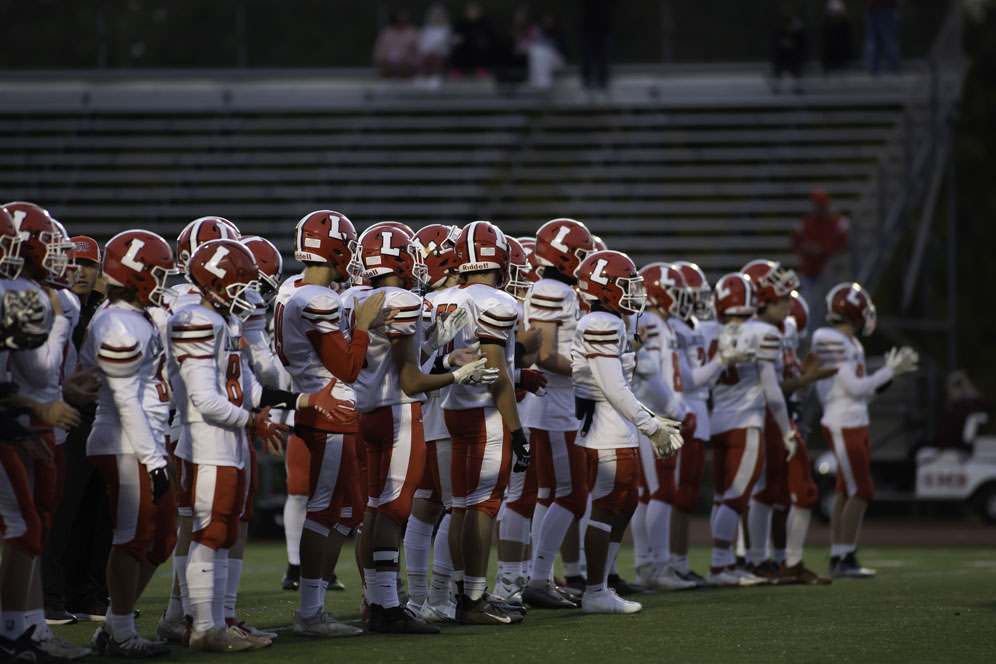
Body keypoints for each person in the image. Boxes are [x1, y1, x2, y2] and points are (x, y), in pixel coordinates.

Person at [353, 225, 497, 633]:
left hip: (364, 410)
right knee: (395, 509)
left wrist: (444, 360)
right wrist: (459, 374)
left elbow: (398, 364)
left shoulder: (354, 296)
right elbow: (410, 381)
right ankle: (389, 606)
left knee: (375, 508)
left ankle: (379, 601)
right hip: (397, 413)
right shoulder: (403, 300)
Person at [570, 250, 684, 614]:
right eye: (625, 284)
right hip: (606, 427)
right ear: (605, 289)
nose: (634, 291)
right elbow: (613, 387)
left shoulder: (608, 322)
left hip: (613, 424)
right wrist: (651, 426)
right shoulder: (601, 323)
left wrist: (649, 420)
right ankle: (595, 590)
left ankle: (601, 584)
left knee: (626, 502)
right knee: (606, 506)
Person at [82, 230, 179, 657]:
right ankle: (118, 630)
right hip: (125, 441)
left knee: (161, 540)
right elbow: (124, 400)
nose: (163, 283)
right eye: (158, 274)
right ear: (138, 274)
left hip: (142, 439)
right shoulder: (119, 322)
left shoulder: (133, 315)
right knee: (133, 537)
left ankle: (116, 624)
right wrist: (154, 458)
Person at [275, 211, 370, 639]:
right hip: (330, 408)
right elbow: (347, 367)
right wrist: (365, 326)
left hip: (316, 403)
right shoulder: (318, 299)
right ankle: (310, 612)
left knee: (346, 511)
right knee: (326, 510)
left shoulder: (291, 290)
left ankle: (316, 606)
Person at [435, 221, 528, 625]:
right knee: (484, 505)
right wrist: (518, 430)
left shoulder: (442, 297)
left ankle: (463, 589)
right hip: (485, 411)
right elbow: (496, 373)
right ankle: (473, 596)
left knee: (460, 506)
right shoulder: (499, 301)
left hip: (452, 407)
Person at [812, 282, 917, 578]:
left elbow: (863, 393)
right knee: (862, 490)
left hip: (855, 419)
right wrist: (888, 371)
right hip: (842, 421)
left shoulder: (852, 344)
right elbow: (855, 386)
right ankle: (845, 556)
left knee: (847, 490)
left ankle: (838, 555)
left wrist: (887, 378)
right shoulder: (829, 338)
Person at [741, 260, 834, 585]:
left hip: (777, 413)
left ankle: (775, 561)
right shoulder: (755, 330)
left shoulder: (781, 328)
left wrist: (802, 378)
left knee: (775, 494)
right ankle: (762, 560)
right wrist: (803, 381)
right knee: (771, 493)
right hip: (764, 415)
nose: (789, 303)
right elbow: (768, 387)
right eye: (781, 297)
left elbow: (784, 378)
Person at [705, 273, 798, 587]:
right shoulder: (763, 332)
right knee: (734, 499)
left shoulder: (710, 331)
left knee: (721, 498)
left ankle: (724, 563)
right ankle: (719, 567)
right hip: (746, 424)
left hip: (716, 422)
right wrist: (786, 430)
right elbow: (772, 391)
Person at [521, 219, 595, 609]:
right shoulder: (552, 289)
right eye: (581, 256)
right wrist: (593, 369)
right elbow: (546, 356)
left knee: (550, 494)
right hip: (556, 405)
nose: (585, 264)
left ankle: (540, 577)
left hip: (553, 404)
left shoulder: (554, 288)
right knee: (572, 495)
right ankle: (537, 579)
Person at [43, 235, 111, 624]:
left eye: (88, 265)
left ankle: (86, 594)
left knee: (96, 512)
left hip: (97, 415)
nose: (80, 272)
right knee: (59, 510)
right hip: (62, 413)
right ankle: (48, 597)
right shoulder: (59, 305)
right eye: (74, 264)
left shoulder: (96, 308)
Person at [630, 263, 696, 592]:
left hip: (656, 413)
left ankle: (647, 564)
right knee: (662, 491)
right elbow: (647, 369)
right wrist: (676, 409)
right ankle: (657, 566)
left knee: (649, 494)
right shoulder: (652, 321)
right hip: (656, 414)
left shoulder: (661, 322)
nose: (681, 300)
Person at [791, 188, 850, 321]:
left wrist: (823, 250)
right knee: (807, 305)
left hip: (830, 270)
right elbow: (795, 243)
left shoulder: (837, 222)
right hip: (810, 270)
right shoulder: (806, 223)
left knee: (831, 305)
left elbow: (844, 243)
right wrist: (808, 249)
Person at [450, 2, 498, 79]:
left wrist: (484, 41)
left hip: (479, 50)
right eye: (470, 10)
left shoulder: (485, 22)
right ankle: (456, 71)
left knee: (482, 48)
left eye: (474, 10)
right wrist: (457, 39)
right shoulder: (460, 22)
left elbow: (491, 37)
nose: (472, 12)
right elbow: (454, 36)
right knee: (457, 47)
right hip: (463, 49)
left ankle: (481, 71)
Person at [373, 10, 418, 79]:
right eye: (399, 19)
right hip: (388, 61)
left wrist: (410, 59)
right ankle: (384, 85)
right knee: (385, 63)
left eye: (404, 20)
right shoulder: (386, 33)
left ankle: (404, 86)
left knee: (404, 64)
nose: (401, 22)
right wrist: (382, 59)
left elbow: (416, 52)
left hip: (406, 62)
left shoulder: (412, 33)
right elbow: (379, 51)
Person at [580, 0, 612, 95]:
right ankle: (587, 82)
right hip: (588, 29)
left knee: (603, 57)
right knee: (587, 57)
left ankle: (602, 82)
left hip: (603, 29)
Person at [771, 11, 806, 92]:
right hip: (781, 59)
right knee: (778, 67)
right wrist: (782, 45)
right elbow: (774, 46)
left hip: (794, 59)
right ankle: (777, 88)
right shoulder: (778, 31)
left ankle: (798, 88)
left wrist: (792, 45)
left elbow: (802, 46)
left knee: (797, 66)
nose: (787, 26)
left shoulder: (797, 32)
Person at [417, 4, 451, 87]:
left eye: (439, 15)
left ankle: (436, 77)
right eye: (435, 15)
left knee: (435, 57)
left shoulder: (446, 29)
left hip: (441, 53)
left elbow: (445, 43)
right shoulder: (425, 30)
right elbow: (422, 44)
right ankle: (422, 77)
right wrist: (428, 51)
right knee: (426, 57)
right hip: (427, 53)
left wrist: (435, 50)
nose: (437, 17)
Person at [866, 0, 901, 74]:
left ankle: (893, 68)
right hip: (874, 9)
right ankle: (874, 68)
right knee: (875, 41)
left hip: (885, 8)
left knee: (889, 41)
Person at [823, 0, 853, 73]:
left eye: (837, 12)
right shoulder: (828, 27)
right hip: (831, 59)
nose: (836, 15)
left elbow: (849, 42)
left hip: (843, 58)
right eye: (834, 13)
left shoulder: (845, 25)